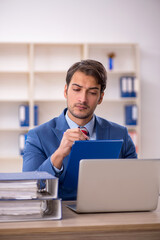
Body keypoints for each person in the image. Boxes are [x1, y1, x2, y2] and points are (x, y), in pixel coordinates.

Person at [23, 59, 137, 200]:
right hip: (62, 218)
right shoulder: (37, 136)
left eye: (92, 93)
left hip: (108, 214)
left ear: (100, 97)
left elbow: (134, 184)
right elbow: (30, 188)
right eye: (77, 90)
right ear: (66, 91)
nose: (82, 99)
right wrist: (58, 155)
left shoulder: (121, 134)